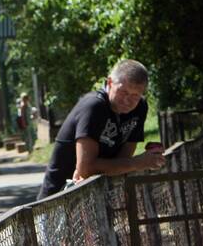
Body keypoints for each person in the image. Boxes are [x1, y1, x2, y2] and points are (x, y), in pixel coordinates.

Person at [38, 59, 165, 198]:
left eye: (135, 95)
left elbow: (123, 160)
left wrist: (140, 161)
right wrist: (138, 163)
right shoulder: (94, 106)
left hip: (95, 196)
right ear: (110, 83)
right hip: (58, 199)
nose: (127, 100)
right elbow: (85, 169)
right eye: (123, 92)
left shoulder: (139, 108)